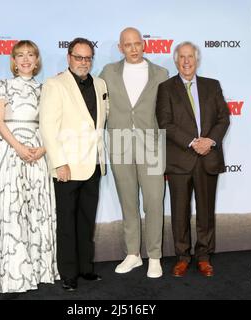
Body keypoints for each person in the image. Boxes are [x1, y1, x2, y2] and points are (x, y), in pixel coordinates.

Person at [0, 40, 59, 293]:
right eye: (20, 55)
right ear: (14, 61)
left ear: (37, 60)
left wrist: (44, 149)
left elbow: (54, 124)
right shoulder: (3, 86)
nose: (26, 59)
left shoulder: (46, 89)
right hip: (11, 150)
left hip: (39, 152)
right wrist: (18, 147)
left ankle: (37, 270)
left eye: (31, 54)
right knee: (13, 209)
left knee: (37, 208)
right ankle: (13, 274)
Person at [156, 41, 230, 277]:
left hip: (208, 157)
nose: (186, 61)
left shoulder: (212, 85)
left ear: (197, 60)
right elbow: (165, 122)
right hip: (180, 159)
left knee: (206, 212)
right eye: (182, 57)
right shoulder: (166, 88)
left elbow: (223, 118)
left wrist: (209, 141)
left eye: (190, 57)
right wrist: (193, 142)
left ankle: (204, 256)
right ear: (176, 61)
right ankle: (182, 256)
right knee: (179, 212)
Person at [99, 27, 168, 278]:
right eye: (128, 45)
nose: (134, 48)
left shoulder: (161, 73)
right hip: (119, 142)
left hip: (151, 145)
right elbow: (95, 101)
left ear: (144, 44)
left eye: (137, 43)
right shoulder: (107, 72)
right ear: (120, 48)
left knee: (153, 202)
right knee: (128, 202)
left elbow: (166, 112)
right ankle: (132, 254)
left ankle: (155, 256)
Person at [40, 38, 107, 292]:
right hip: (67, 166)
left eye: (88, 58)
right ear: (69, 58)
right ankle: (68, 273)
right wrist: (59, 163)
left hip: (94, 164)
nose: (83, 62)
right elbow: (48, 127)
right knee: (66, 223)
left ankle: (85, 268)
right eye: (79, 57)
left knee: (86, 220)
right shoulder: (54, 84)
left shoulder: (100, 83)